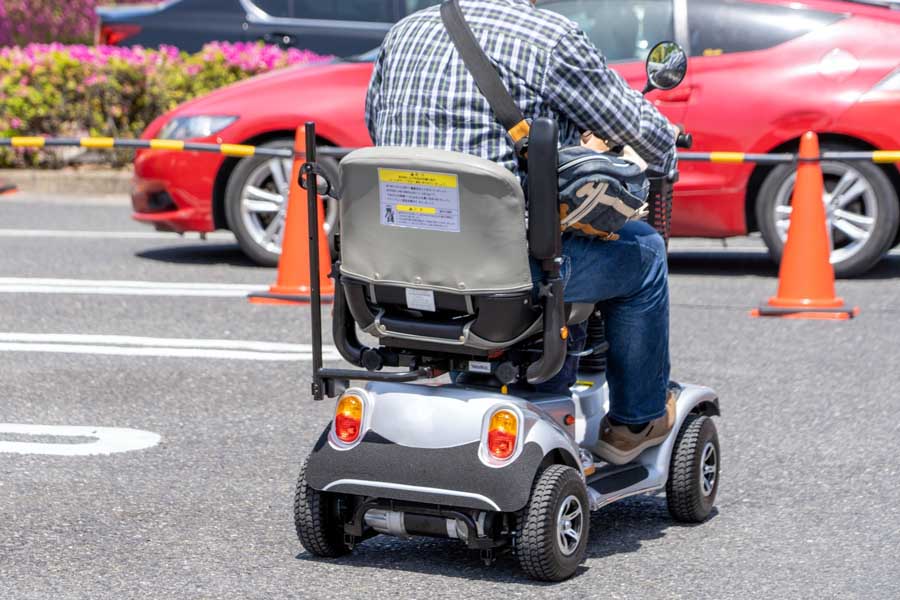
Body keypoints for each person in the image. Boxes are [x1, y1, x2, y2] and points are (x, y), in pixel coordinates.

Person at [364, 0, 678, 465]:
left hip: (394, 269)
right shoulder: (551, 39)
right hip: (502, 280)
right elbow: (644, 132)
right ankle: (636, 421)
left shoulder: (405, 31)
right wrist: (664, 147)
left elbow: (376, 129)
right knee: (645, 253)